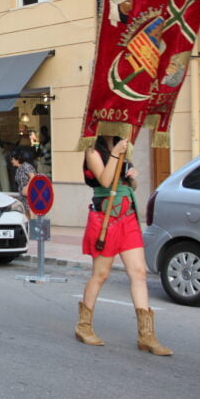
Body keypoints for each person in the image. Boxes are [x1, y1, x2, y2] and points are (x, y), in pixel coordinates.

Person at [76, 136, 172, 355]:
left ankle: (147, 336)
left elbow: (130, 185)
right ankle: (83, 326)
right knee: (100, 274)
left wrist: (133, 177)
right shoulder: (92, 150)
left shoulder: (122, 146)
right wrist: (116, 152)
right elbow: (105, 180)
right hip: (105, 219)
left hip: (127, 217)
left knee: (138, 272)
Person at [10, 150, 36, 217]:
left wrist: (27, 187)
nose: (11, 161)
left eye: (12, 159)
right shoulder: (18, 169)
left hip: (29, 193)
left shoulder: (26, 166)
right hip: (23, 195)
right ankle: (28, 226)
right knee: (26, 211)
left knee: (31, 210)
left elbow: (33, 177)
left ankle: (32, 226)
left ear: (17, 159)